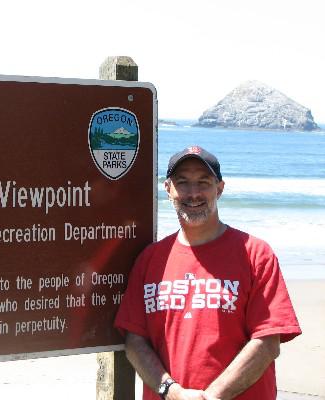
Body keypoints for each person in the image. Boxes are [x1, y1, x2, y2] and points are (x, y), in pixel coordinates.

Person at [114, 145, 301, 400]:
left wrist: (213, 396)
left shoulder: (255, 254)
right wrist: (171, 391)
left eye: (203, 182)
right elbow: (135, 341)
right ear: (168, 189)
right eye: (182, 183)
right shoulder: (150, 259)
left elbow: (267, 342)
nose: (193, 194)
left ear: (219, 189)